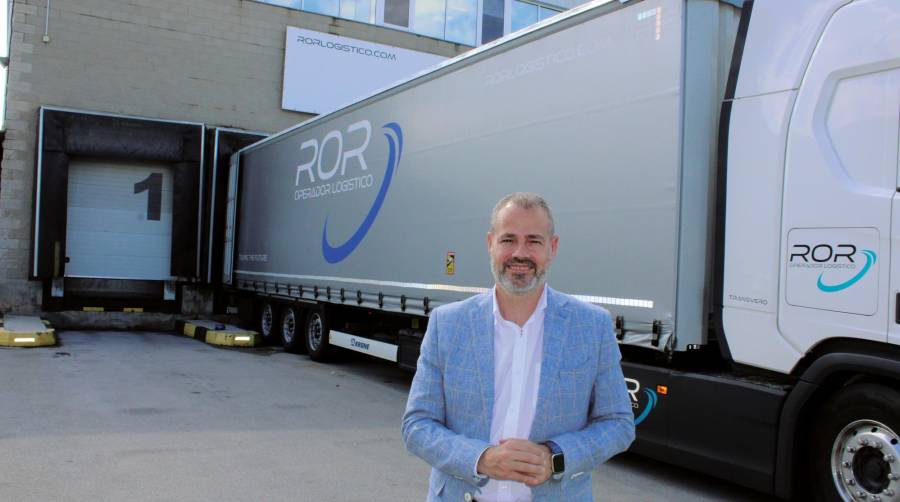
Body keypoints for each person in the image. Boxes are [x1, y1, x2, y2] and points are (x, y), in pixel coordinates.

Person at [402, 192, 635, 502]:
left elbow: (618, 424)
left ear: (552, 247)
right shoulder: (448, 324)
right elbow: (417, 425)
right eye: (508, 240)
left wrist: (556, 458)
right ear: (490, 244)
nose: (519, 253)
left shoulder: (592, 326)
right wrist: (481, 458)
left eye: (534, 241)